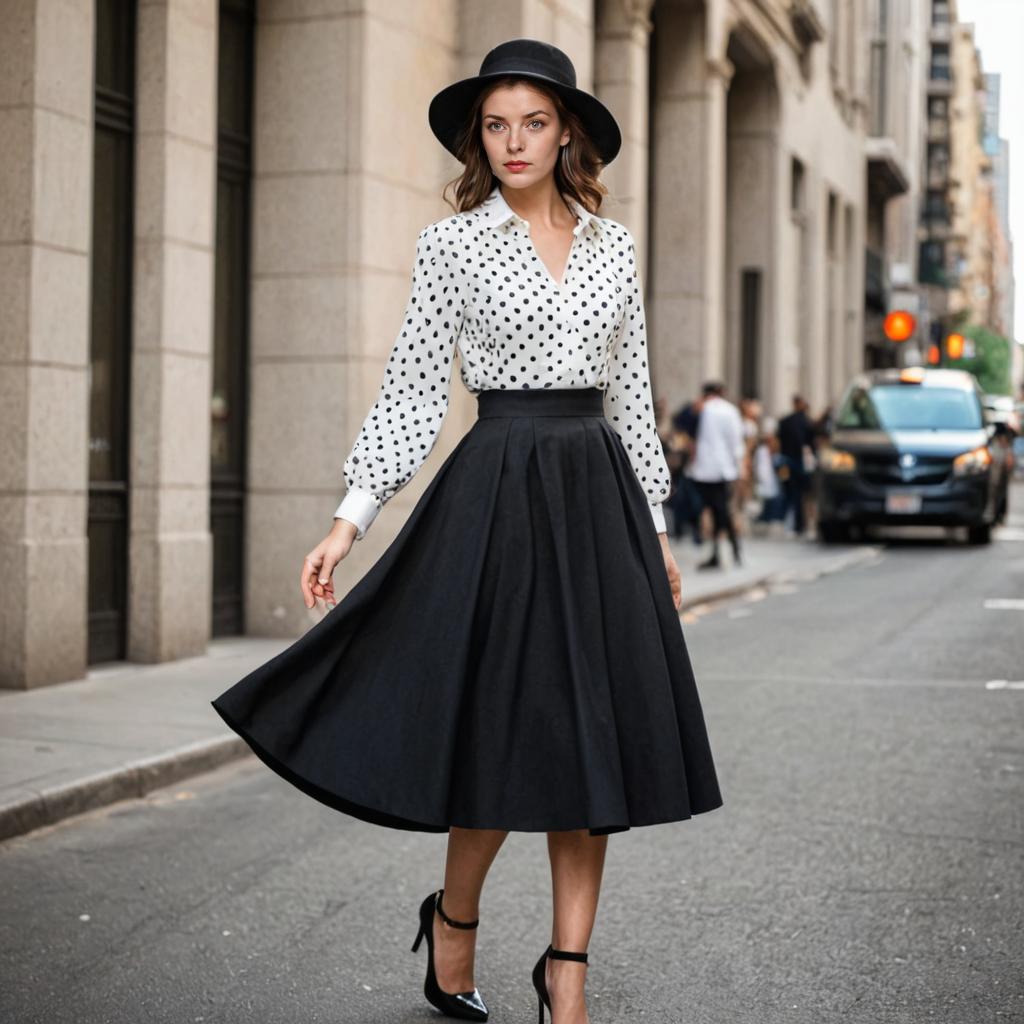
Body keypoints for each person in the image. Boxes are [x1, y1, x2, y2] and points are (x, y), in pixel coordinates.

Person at [210, 38, 722, 1024]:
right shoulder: (452, 244)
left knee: (593, 745)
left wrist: (655, 528)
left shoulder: (614, 246)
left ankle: (564, 975)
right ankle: (455, 918)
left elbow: (629, 390)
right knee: (498, 731)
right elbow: (411, 387)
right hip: (496, 494)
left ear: (567, 127)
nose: (514, 141)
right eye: (495, 124)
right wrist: (347, 520)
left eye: (533, 121)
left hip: (599, 496)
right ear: (476, 138)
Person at [777, 394, 817, 537]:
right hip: (800, 462)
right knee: (802, 493)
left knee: (791, 492)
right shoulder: (807, 422)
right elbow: (812, 443)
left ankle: (792, 523)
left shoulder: (786, 421)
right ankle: (800, 524)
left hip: (789, 461)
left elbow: (780, 441)